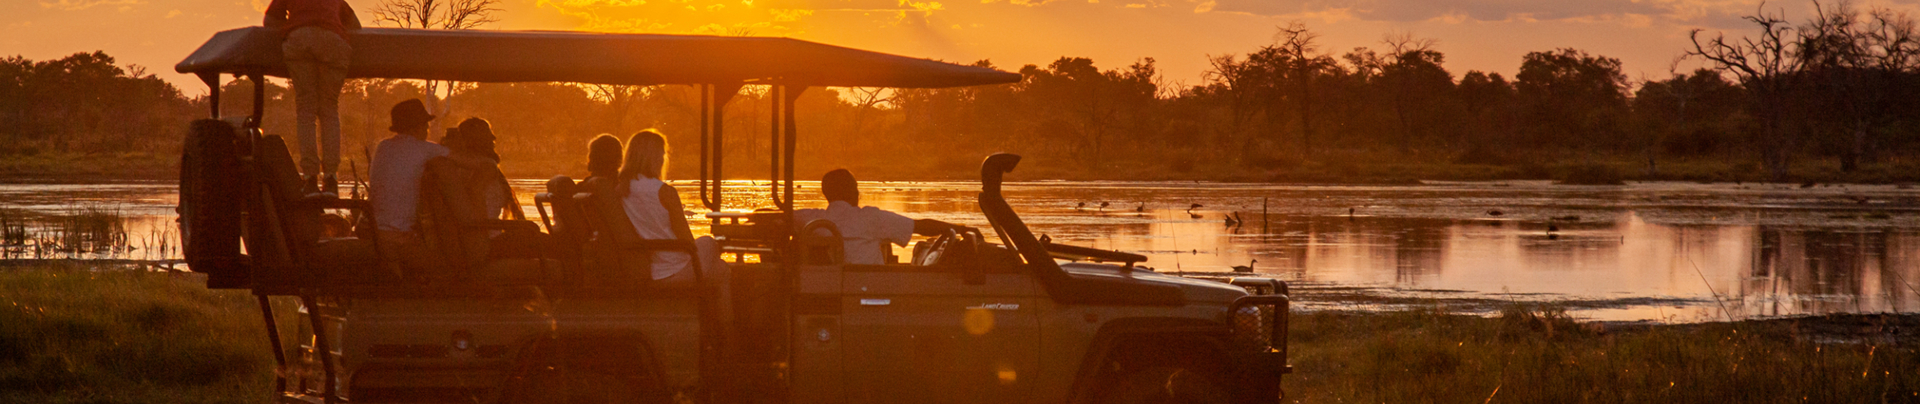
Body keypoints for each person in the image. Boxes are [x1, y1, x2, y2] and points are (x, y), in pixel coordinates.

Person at [264, 0, 359, 194]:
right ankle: (331, 178)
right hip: (334, 41)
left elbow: (269, 22)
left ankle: (310, 179)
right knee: (330, 109)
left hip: (300, 39)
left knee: (306, 110)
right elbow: (356, 26)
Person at [794, 169, 964, 265]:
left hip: (830, 288)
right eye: (856, 188)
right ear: (853, 192)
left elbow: (776, 219)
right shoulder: (871, 218)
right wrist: (962, 229)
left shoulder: (810, 219)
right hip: (869, 290)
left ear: (826, 194)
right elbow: (920, 226)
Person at [614, 130, 696, 283]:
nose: (663, 159)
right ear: (654, 157)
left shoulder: (621, 190)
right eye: (662, 153)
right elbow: (686, 238)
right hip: (676, 266)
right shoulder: (665, 192)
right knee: (713, 251)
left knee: (719, 268)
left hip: (653, 266)